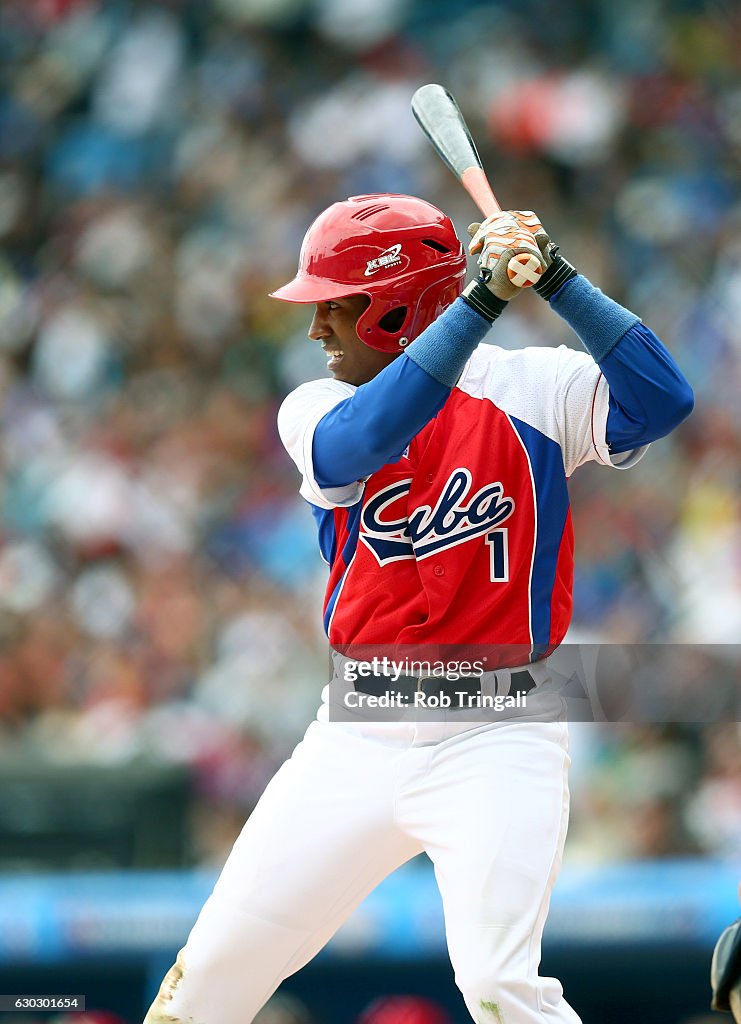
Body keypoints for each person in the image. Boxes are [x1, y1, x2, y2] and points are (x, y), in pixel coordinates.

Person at [143, 194, 693, 1024]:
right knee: (206, 982)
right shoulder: (315, 407)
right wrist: (479, 299)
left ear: (397, 307)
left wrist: (557, 277)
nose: (316, 328)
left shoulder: (533, 387)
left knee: (499, 985)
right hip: (358, 731)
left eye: (336, 305)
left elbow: (662, 398)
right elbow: (358, 445)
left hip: (498, 732)